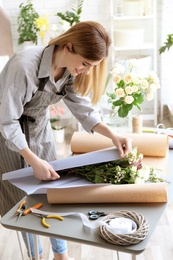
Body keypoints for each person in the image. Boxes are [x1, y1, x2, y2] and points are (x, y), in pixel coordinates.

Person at [0, 21, 132, 260]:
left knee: (52, 191)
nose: (87, 71)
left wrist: (113, 136)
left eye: (92, 66)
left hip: (40, 129)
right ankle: (34, 255)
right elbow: (7, 121)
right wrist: (31, 158)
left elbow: (83, 109)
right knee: (23, 201)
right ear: (69, 47)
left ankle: (60, 254)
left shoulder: (69, 72)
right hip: (9, 137)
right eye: (85, 64)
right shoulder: (24, 66)